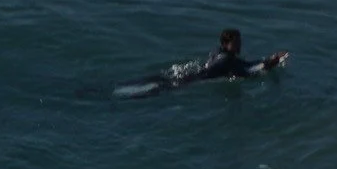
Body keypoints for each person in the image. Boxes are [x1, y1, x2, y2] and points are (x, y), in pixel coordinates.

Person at [115, 29, 288, 98]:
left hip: (185, 75)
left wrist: (267, 60)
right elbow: (247, 71)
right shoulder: (228, 60)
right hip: (190, 81)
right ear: (226, 45)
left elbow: (245, 64)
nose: (239, 45)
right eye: (236, 43)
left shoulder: (217, 52)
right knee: (151, 92)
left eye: (239, 42)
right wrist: (272, 62)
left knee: (151, 82)